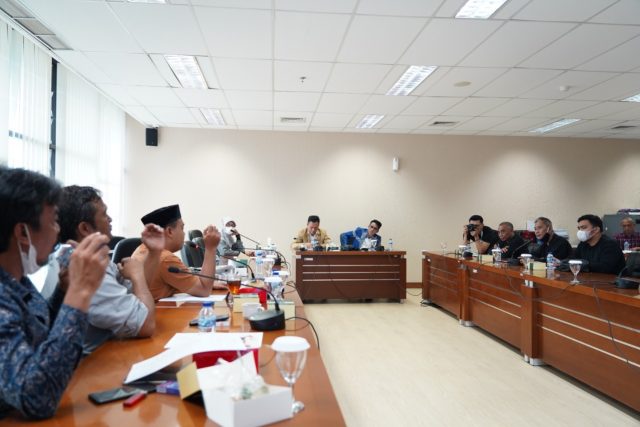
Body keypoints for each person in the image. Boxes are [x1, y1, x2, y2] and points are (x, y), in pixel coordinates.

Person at [0, 167, 109, 419]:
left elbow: (40, 336)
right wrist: (80, 292)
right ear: (22, 232)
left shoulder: (18, 282)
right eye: (53, 221)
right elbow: (36, 397)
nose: (58, 230)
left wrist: (64, 291)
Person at [53, 186, 164, 354]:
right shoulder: (83, 267)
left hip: (111, 351)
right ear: (85, 228)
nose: (110, 219)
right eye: (104, 214)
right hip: (92, 364)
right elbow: (145, 324)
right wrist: (137, 274)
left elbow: (138, 298)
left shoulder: (90, 256)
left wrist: (154, 252)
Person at [132, 204, 224, 301]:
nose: (184, 233)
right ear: (170, 231)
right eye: (182, 228)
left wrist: (204, 282)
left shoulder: (141, 249)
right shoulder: (165, 258)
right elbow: (204, 290)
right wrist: (210, 248)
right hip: (158, 310)